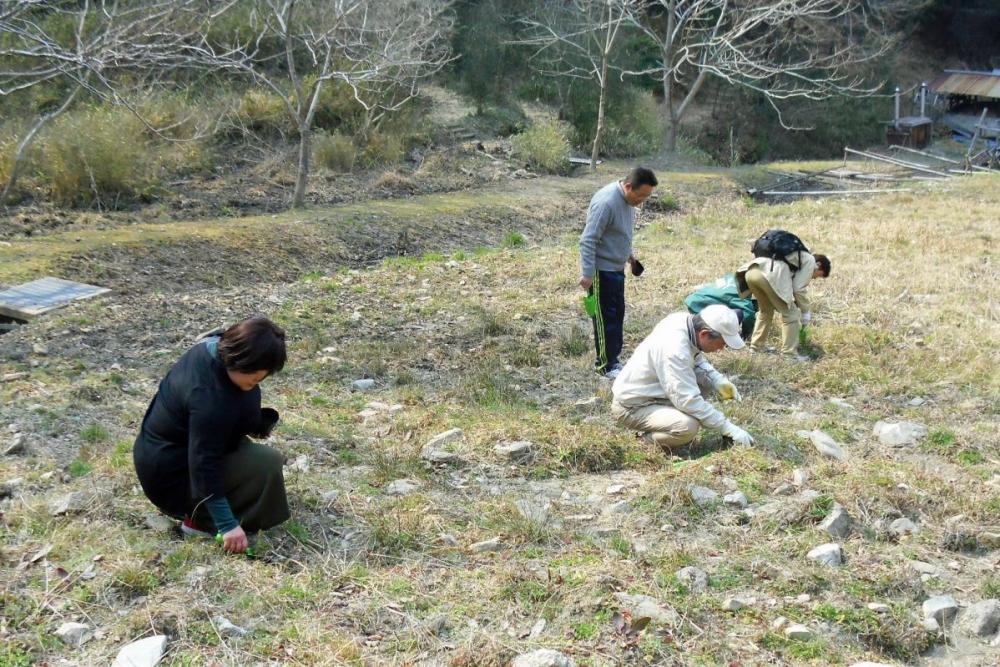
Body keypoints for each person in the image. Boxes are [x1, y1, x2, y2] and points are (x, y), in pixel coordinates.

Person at [133, 317, 290, 554]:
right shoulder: (208, 399)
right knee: (266, 463)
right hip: (172, 476)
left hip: (178, 451)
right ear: (240, 361)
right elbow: (203, 464)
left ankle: (216, 508)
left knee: (260, 460)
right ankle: (198, 520)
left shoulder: (216, 346)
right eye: (255, 378)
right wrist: (226, 524)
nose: (257, 383)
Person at [611, 304, 754, 451]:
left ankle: (667, 422)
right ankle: (642, 444)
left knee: (704, 383)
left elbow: (695, 359)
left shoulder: (684, 321)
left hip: (653, 391)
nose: (721, 349)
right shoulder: (675, 350)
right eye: (722, 343)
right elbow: (687, 400)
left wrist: (717, 380)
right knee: (687, 427)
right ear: (704, 334)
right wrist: (726, 427)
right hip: (633, 406)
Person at [579, 166, 658, 379]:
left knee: (617, 314)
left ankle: (613, 360)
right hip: (600, 271)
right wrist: (587, 274)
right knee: (606, 318)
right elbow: (588, 240)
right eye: (641, 195)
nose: (642, 201)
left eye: (647, 197)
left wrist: (629, 255)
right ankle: (604, 365)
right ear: (628, 186)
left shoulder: (628, 202)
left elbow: (619, 233)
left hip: (616, 268)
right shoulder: (606, 202)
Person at [736, 251, 831, 358]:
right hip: (768, 276)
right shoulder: (810, 261)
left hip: (751, 272)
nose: (814, 278)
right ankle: (789, 355)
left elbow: (786, 288)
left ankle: (756, 348)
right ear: (819, 265)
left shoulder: (796, 257)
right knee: (792, 315)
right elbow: (798, 289)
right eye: (819, 275)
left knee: (765, 311)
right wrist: (805, 311)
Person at [683, 273, 756, 340]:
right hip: (699, 309)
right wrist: (747, 334)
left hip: (693, 300)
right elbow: (748, 315)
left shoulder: (732, 277)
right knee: (738, 313)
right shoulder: (741, 294)